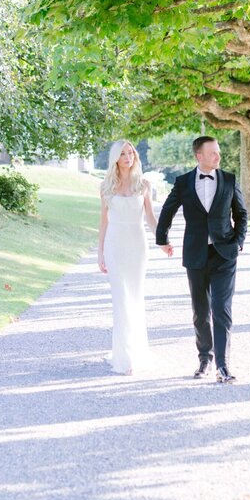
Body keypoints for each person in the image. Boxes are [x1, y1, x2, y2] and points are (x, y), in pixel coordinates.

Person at [155, 135, 248, 383]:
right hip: (196, 255)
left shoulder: (229, 180)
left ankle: (223, 365)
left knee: (221, 309)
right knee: (200, 311)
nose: (219, 156)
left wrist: (239, 241)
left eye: (218, 152)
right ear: (200, 156)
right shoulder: (184, 182)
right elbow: (168, 209)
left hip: (224, 254)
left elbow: (241, 213)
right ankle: (204, 359)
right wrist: (162, 238)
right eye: (213, 153)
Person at [97, 139, 159, 375]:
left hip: (137, 244)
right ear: (115, 158)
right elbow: (103, 222)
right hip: (115, 245)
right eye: (123, 154)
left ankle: (135, 352)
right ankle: (123, 357)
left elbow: (151, 218)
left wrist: (161, 239)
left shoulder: (144, 185)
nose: (128, 157)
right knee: (120, 299)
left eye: (130, 153)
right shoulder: (105, 187)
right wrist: (100, 252)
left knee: (134, 297)